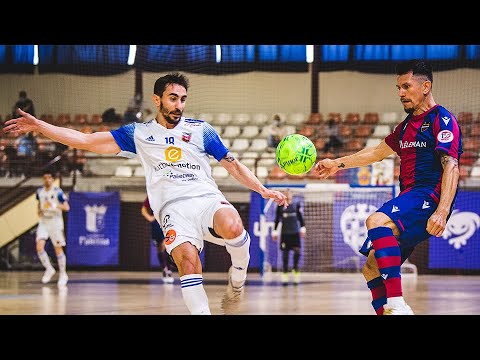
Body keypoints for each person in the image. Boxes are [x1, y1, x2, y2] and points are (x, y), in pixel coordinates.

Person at [4, 72, 288, 315]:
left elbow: (234, 166)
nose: (179, 105)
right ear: (157, 100)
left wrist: (262, 190)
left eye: (183, 99)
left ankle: (236, 282)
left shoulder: (201, 130)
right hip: (171, 210)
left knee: (234, 225)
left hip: (205, 198)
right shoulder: (138, 133)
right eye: (173, 98)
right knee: (188, 264)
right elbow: (86, 140)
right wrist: (41, 127)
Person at [314, 59, 462, 315]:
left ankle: (397, 303)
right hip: (410, 198)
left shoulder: (443, 120)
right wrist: (336, 163)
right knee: (371, 267)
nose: (400, 93)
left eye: (406, 86)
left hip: (428, 196)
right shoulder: (404, 127)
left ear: (426, 86)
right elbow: (375, 152)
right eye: (398, 87)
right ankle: (389, 312)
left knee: (376, 221)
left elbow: (452, 165)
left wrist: (442, 210)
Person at [35, 169, 70, 287]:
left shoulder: (58, 192)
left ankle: (63, 274)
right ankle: (49, 269)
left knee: (57, 248)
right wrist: (39, 211)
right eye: (45, 178)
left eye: (49, 178)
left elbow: (66, 207)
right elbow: (39, 204)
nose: (47, 180)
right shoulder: (39, 191)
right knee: (39, 247)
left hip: (55, 222)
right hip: (44, 221)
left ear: (53, 179)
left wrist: (54, 205)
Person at [271, 189, 306, 286]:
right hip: (285, 234)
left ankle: (296, 273)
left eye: (289, 193)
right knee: (285, 256)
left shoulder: (296, 205)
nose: (288, 195)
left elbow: (300, 218)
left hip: (295, 233)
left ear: (292, 195)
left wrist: (303, 229)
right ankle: (285, 275)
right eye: (286, 194)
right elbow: (277, 219)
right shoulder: (280, 206)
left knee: (297, 253)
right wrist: (274, 231)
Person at [141, 196, 174, 283]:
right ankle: (164, 268)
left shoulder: (169, 194)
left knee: (166, 245)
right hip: (156, 225)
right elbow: (143, 210)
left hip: (167, 223)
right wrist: (150, 218)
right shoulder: (152, 195)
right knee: (159, 247)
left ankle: (168, 270)